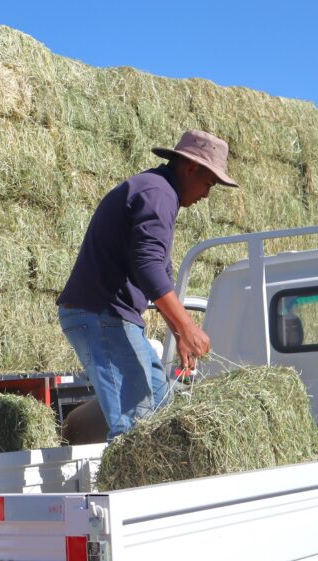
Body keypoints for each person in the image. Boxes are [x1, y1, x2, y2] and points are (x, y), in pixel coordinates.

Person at [56, 130, 238, 441]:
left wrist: (178, 333)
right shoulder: (159, 194)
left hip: (107, 316)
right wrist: (186, 326)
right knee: (139, 427)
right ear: (191, 168)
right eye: (209, 182)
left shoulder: (155, 190)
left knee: (157, 408)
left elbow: (153, 271)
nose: (208, 193)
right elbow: (148, 267)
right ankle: (127, 487)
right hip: (103, 316)